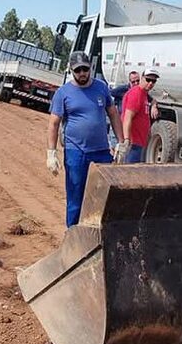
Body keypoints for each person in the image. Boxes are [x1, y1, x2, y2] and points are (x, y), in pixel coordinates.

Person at [47, 52, 124, 227]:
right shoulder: (63, 93)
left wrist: (121, 141)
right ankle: (73, 235)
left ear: (91, 68)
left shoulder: (101, 87)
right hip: (76, 152)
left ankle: (99, 232)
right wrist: (51, 153)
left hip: (101, 151)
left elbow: (113, 113)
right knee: (76, 196)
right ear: (71, 70)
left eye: (85, 69)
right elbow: (54, 124)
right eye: (78, 70)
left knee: (105, 194)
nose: (82, 73)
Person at [116, 69, 159, 164]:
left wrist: (154, 105)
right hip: (132, 143)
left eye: (154, 81)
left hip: (138, 142)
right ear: (142, 79)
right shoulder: (136, 94)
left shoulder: (144, 94)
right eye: (148, 80)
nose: (151, 83)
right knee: (129, 174)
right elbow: (128, 117)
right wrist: (127, 140)